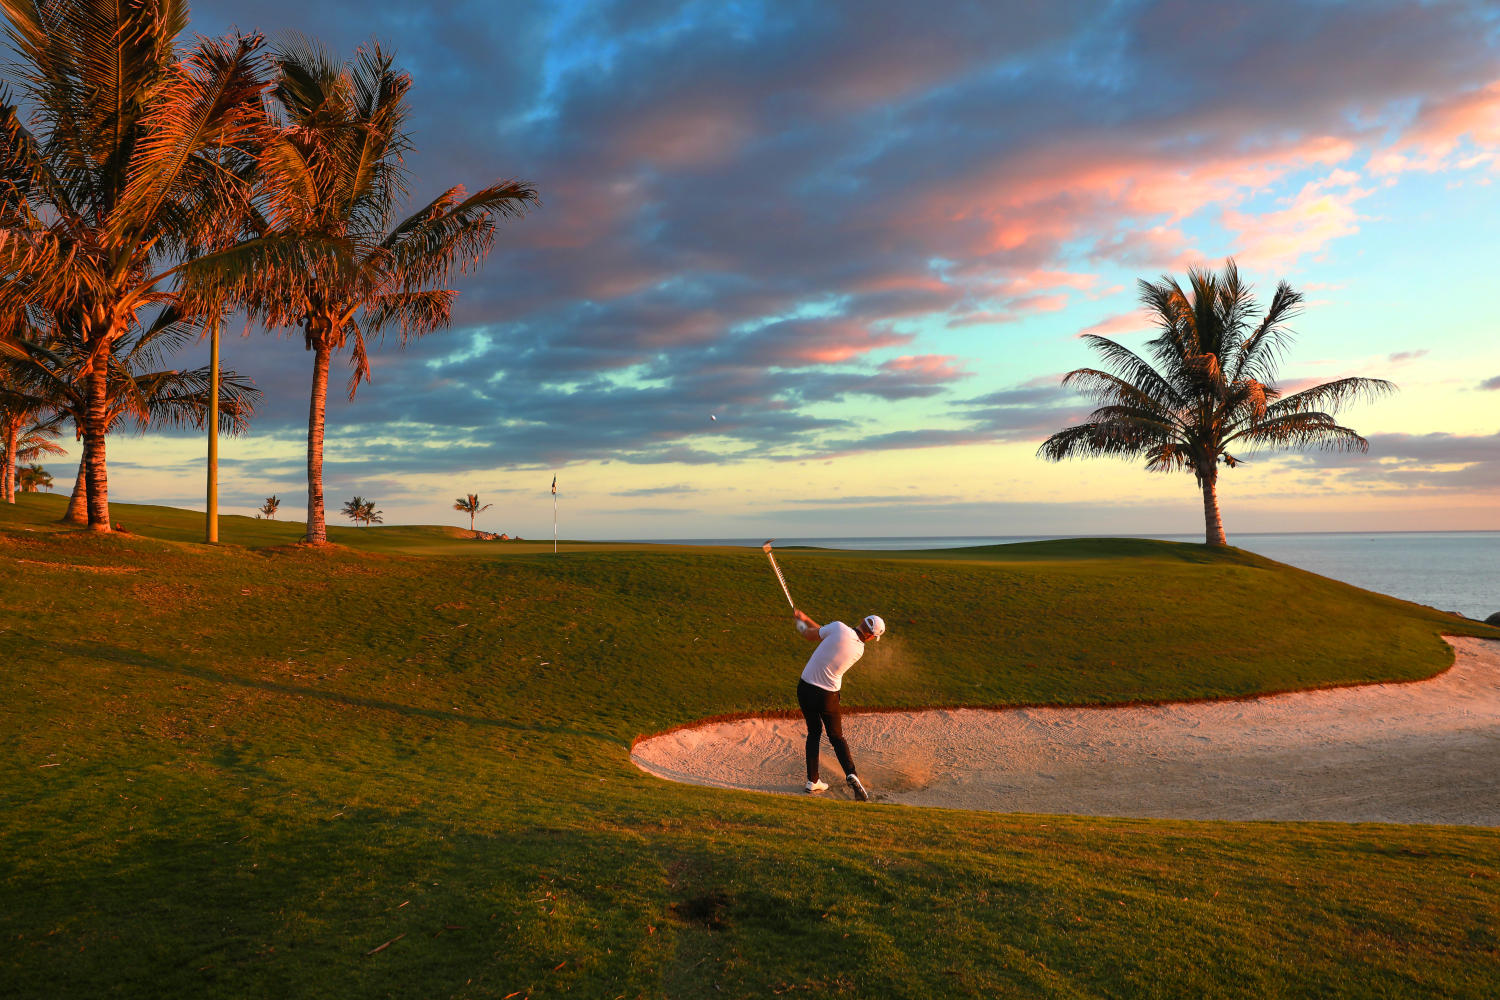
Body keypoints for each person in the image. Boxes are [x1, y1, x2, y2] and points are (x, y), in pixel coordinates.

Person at [793, 608, 886, 801]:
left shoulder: (838, 627)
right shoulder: (859, 650)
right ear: (870, 637)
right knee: (836, 737)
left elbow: (810, 635)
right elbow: (823, 633)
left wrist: (800, 623)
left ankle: (813, 781)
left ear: (862, 620)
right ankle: (851, 774)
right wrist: (805, 618)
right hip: (828, 696)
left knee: (814, 732)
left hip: (805, 688)